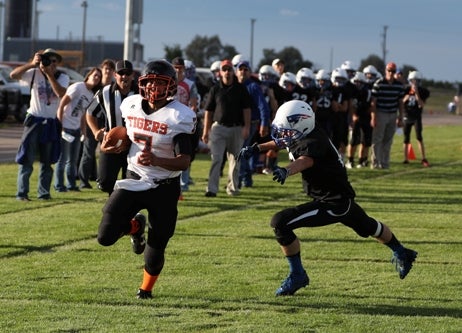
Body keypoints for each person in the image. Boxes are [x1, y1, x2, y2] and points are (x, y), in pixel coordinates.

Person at [238, 100, 418, 296]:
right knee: (369, 226)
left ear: (301, 124)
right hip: (342, 199)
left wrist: (286, 171)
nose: (284, 134)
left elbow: (305, 160)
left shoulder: (314, 141)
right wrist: (257, 148)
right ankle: (402, 252)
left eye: (287, 129)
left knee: (280, 222)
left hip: (331, 203)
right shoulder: (304, 131)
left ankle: (297, 274)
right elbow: (282, 141)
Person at [96, 60, 196, 300]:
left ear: (171, 86)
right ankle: (135, 226)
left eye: (160, 83)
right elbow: (128, 137)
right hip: (134, 178)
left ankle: (146, 290)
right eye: (149, 82)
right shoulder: (130, 105)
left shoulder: (179, 115)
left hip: (164, 186)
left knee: (156, 248)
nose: (153, 88)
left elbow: (184, 161)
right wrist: (114, 143)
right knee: (105, 235)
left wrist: (157, 160)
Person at [11, 48, 70, 201]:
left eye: (54, 61)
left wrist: (49, 74)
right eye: (48, 60)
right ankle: (22, 194)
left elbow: (61, 93)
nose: (51, 63)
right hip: (34, 120)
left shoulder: (62, 77)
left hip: (50, 123)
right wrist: (32, 64)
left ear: (57, 63)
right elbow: (13, 75)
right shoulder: (34, 74)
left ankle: (43, 193)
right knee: (26, 159)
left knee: (47, 161)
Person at [86, 60, 137, 194]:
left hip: (134, 145)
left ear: (133, 75)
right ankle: (115, 204)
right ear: (115, 75)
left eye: (127, 73)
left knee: (132, 183)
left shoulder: (141, 93)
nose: (124, 76)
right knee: (105, 182)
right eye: (121, 73)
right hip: (111, 142)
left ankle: (131, 212)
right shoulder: (105, 92)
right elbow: (90, 112)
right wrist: (95, 131)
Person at [201, 59, 251, 197]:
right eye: (224, 69)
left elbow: (247, 109)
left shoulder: (241, 88)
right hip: (218, 128)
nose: (227, 72)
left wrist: (247, 127)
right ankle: (211, 189)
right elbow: (208, 111)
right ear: (220, 72)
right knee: (216, 159)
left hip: (236, 128)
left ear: (233, 71)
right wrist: (206, 130)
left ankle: (233, 188)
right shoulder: (215, 89)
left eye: (229, 69)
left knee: (235, 160)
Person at [54, 67, 103, 192]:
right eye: (95, 75)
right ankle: (59, 186)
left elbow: (83, 115)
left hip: (76, 129)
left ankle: (71, 185)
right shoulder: (78, 87)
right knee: (63, 159)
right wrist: (60, 125)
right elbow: (62, 104)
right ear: (89, 75)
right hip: (66, 127)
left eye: (99, 76)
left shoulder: (91, 94)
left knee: (73, 160)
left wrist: (83, 131)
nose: (97, 78)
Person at [78, 59, 115, 189]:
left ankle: (102, 179)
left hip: (108, 123)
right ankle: (83, 180)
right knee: (88, 152)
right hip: (93, 122)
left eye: (111, 69)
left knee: (106, 153)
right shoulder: (96, 87)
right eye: (106, 69)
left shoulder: (114, 88)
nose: (108, 71)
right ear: (102, 69)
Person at [235, 60, 271, 188]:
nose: (243, 72)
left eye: (246, 70)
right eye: (241, 69)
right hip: (237, 124)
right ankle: (246, 179)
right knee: (239, 151)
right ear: (236, 71)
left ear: (250, 72)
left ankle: (240, 180)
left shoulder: (253, 86)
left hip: (251, 123)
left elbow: (263, 106)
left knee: (240, 151)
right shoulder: (235, 85)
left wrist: (264, 124)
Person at [370, 62, 405, 169]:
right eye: (389, 70)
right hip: (381, 113)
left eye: (393, 71)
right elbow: (373, 102)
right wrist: (373, 117)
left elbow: (400, 103)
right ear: (386, 71)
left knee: (388, 140)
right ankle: (375, 163)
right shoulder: (379, 83)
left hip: (392, 113)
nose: (391, 73)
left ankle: (385, 163)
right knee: (377, 139)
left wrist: (400, 117)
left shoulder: (399, 86)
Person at [171, 57, 199, 193]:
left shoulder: (190, 84)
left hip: (183, 123)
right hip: (170, 122)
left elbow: (193, 103)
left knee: (184, 153)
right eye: (175, 67)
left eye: (180, 67)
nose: (178, 70)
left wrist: (190, 118)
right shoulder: (168, 82)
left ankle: (184, 183)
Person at [402, 71, 430, 166]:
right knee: (406, 138)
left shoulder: (423, 91)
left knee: (419, 137)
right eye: (412, 81)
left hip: (416, 117)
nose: (414, 83)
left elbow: (421, 105)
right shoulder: (405, 89)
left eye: (416, 81)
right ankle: (405, 159)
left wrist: (416, 93)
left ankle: (423, 158)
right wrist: (408, 95)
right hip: (407, 115)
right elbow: (401, 102)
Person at [345, 71, 373, 169]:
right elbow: (351, 106)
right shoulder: (351, 91)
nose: (358, 84)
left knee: (365, 141)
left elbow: (371, 106)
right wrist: (353, 116)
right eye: (356, 81)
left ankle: (362, 160)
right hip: (355, 117)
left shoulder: (367, 92)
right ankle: (350, 160)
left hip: (365, 117)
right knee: (353, 141)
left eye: (360, 82)